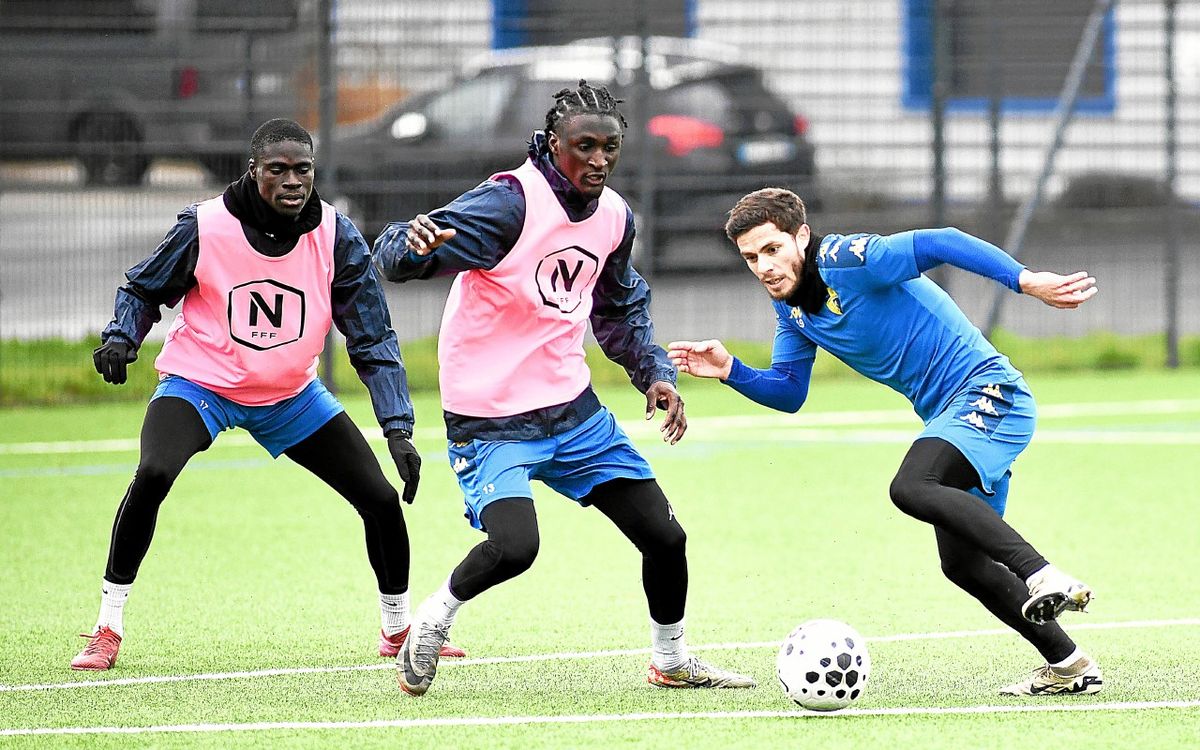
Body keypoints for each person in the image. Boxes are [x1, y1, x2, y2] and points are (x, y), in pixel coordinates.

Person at [373, 81, 755, 696]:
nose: (599, 160)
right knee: (517, 546)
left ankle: (672, 660)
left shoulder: (614, 217)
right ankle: (433, 619)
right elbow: (402, 254)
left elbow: (620, 308)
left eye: (611, 148)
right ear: (554, 145)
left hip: (573, 414)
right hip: (491, 419)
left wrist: (653, 372)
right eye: (585, 147)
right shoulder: (509, 205)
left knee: (665, 537)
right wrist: (406, 247)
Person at [668, 187, 1102, 697]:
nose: (763, 266)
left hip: (989, 393)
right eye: (750, 257)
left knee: (913, 485)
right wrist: (731, 371)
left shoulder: (850, 260)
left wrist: (1025, 280)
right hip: (949, 415)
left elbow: (941, 240)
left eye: (772, 249)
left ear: (801, 238)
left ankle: (1041, 574)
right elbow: (789, 392)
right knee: (961, 564)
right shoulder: (792, 311)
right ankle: (1070, 665)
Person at [73, 118, 464, 671]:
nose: (291, 181)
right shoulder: (205, 226)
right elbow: (143, 287)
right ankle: (106, 626)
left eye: (302, 169)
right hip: (200, 385)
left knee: (378, 499)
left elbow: (372, 336)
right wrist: (121, 337)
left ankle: (397, 631)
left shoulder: (335, 234)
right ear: (253, 172)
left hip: (291, 396)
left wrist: (397, 428)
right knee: (155, 471)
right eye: (277, 169)